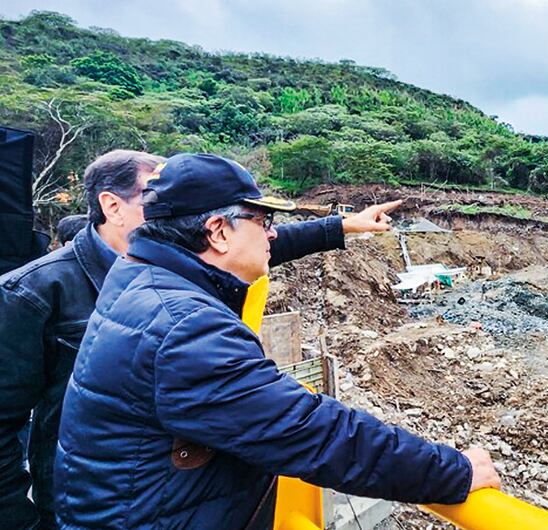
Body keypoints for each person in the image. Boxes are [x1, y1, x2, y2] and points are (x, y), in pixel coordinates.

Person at [54, 153, 500, 529]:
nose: (272, 233)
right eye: (263, 219)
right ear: (218, 231)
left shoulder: (142, 273)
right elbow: (313, 432)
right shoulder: (185, 329)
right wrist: (453, 471)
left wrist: (341, 227)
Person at [0, 150, 401, 530]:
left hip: (182, 494)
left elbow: (258, 245)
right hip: (95, 498)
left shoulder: (171, 264)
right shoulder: (36, 291)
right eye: (152, 193)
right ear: (112, 205)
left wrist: (343, 225)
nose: (167, 201)